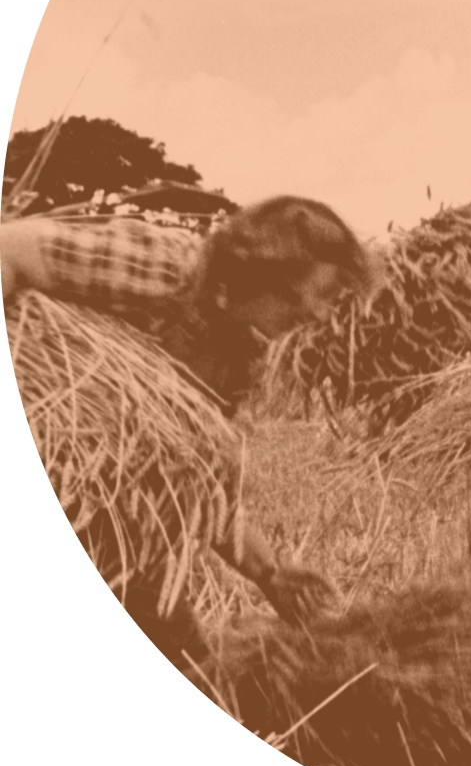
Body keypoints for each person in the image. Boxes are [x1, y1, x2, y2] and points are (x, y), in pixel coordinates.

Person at [1, 196, 383, 661]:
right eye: (315, 296)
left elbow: (195, 488)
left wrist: (270, 574)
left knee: (194, 676)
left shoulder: (240, 354)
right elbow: (10, 247)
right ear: (263, 277)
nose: (322, 314)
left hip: (122, 532)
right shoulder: (163, 269)